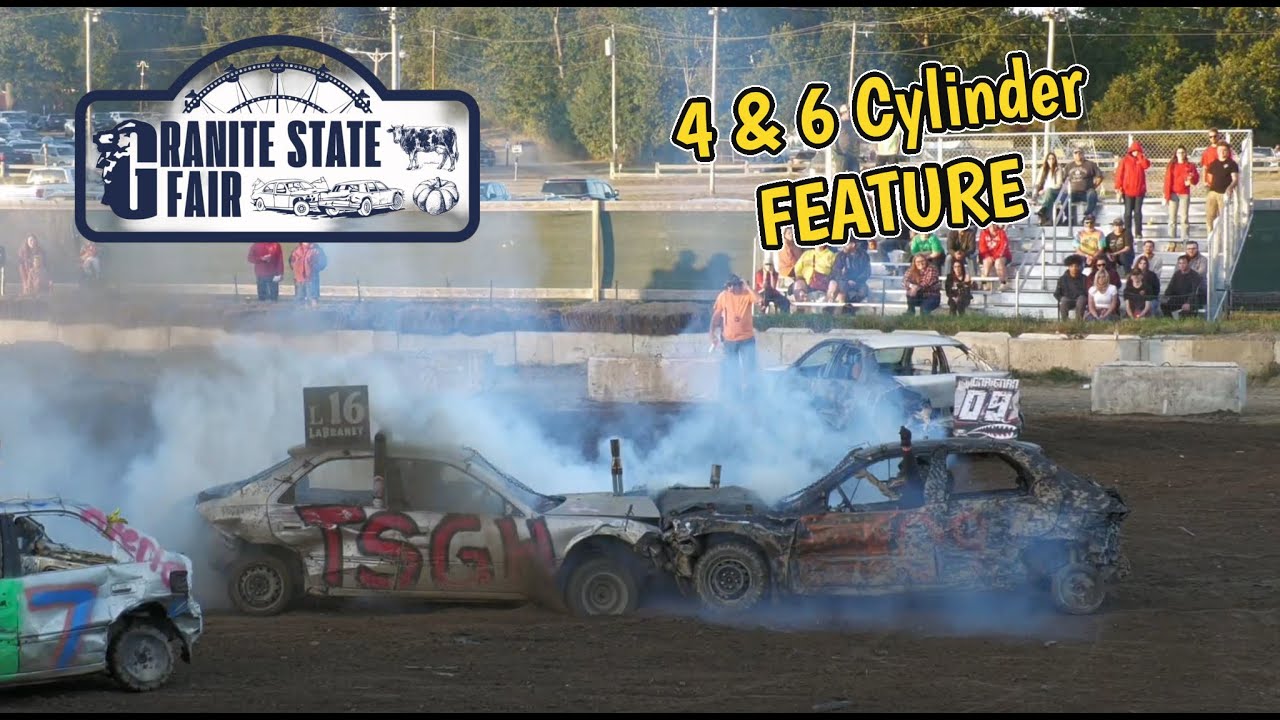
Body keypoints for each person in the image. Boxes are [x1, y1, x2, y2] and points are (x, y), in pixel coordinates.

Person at [710, 273, 763, 403]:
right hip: (729, 340)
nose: (730, 288)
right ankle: (735, 398)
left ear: (739, 285)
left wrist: (748, 287)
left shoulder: (747, 294)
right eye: (728, 286)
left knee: (750, 370)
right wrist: (711, 333)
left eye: (732, 285)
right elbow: (716, 315)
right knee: (732, 369)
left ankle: (751, 398)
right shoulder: (723, 296)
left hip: (747, 339)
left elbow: (759, 300)